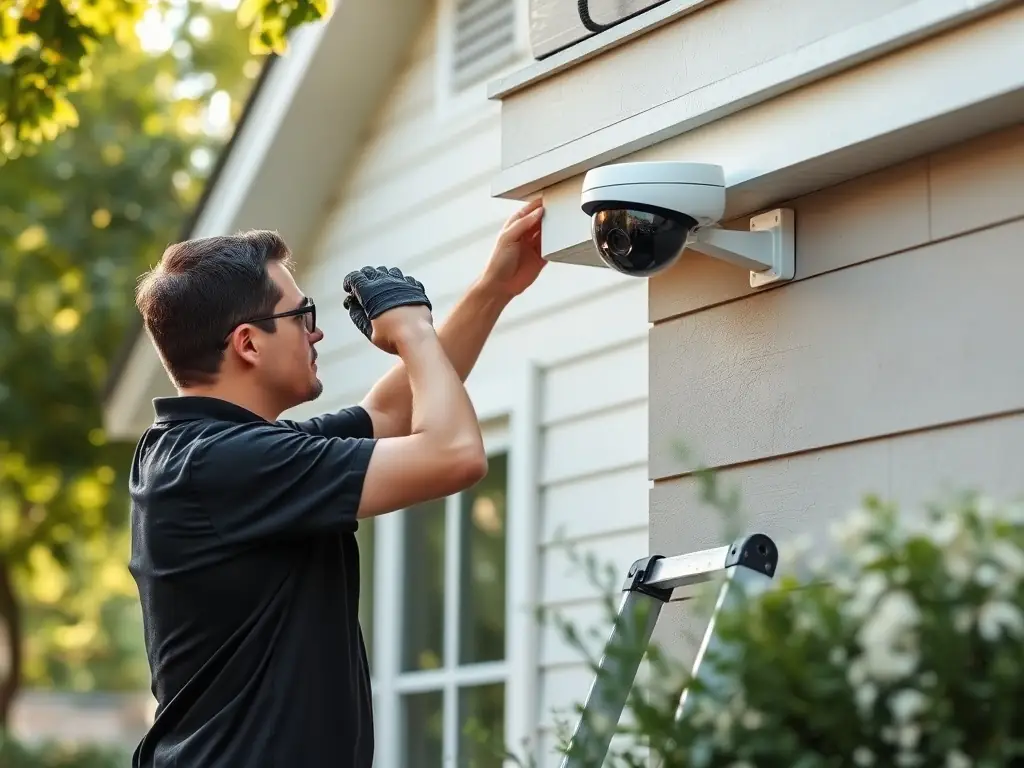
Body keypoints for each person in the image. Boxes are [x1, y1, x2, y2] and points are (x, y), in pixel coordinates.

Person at [126, 198, 546, 767]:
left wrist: (494, 288)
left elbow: (392, 417)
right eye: (301, 316)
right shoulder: (223, 464)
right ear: (248, 343)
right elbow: (454, 456)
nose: (317, 333)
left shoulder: (205, 454)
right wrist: (412, 332)